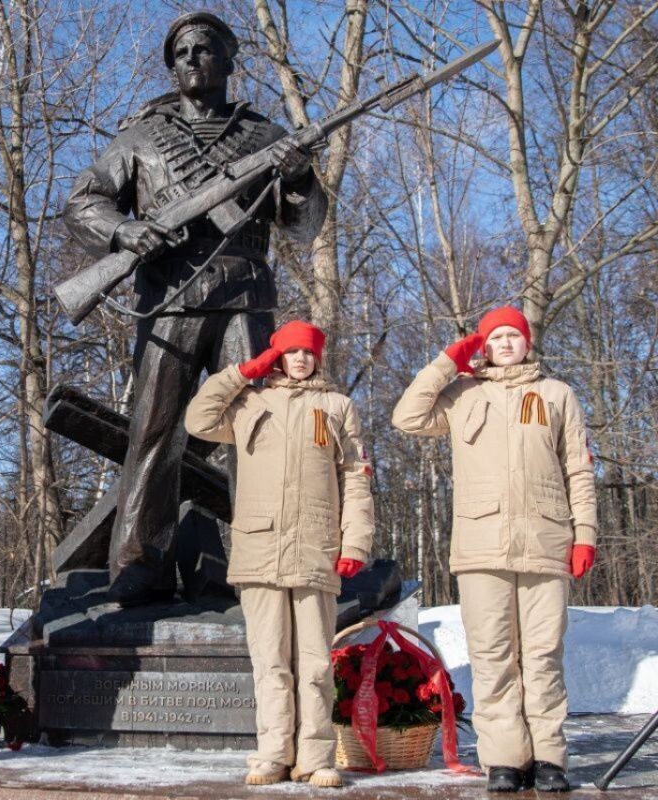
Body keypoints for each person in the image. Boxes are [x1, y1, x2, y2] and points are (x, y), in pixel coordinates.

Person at [63, 11, 326, 605]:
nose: (188, 60)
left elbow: (304, 226)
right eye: (180, 52)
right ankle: (138, 562)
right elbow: (84, 201)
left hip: (244, 300)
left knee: (255, 432)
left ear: (230, 61)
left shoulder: (265, 138)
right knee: (154, 432)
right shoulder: (142, 138)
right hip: (170, 299)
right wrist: (125, 234)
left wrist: (302, 176)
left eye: (203, 49)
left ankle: (264, 557)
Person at [392, 306, 597, 793]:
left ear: (527, 342)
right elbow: (407, 416)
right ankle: (505, 759)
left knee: (543, 655)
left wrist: (584, 533)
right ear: (483, 346)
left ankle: (549, 757)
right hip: (481, 545)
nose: (505, 343)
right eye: (495, 337)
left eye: (513, 336)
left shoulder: (556, 394)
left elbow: (579, 470)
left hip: (547, 542)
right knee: (492, 657)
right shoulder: (464, 394)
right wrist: (447, 360)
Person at [185, 320, 373, 788]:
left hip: (315, 547)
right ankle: (272, 753)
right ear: (278, 357)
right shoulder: (249, 402)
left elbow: (356, 479)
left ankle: (315, 757)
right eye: (291, 352)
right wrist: (242, 372)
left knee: (313, 662)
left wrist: (355, 543)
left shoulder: (337, 406)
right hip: (259, 545)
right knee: (269, 661)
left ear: (318, 359)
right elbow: (198, 419)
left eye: (308, 352)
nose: (300, 360)